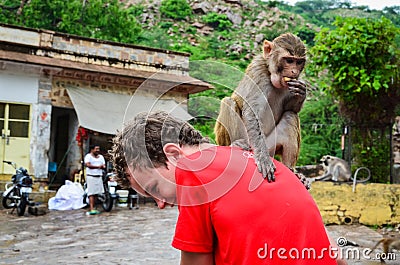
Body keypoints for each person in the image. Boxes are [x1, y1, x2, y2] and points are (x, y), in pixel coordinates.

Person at [110, 111, 347, 265]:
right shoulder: (265, 162)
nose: (160, 203)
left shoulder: (191, 171)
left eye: (154, 188)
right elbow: (336, 255)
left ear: (173, 155)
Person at [84, 144, 106, 215]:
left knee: (97, 193)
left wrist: (102, 167)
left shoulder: (101, 157)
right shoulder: (88, 156)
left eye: (98, 149)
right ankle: (91, 208)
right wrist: (97, 167)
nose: (98, 150)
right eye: (96, 149)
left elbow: (104, 165)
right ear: (92, 149)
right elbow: (88, 165)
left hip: (99, 176)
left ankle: (95, 207)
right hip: (91, 176)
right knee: (91, 193)